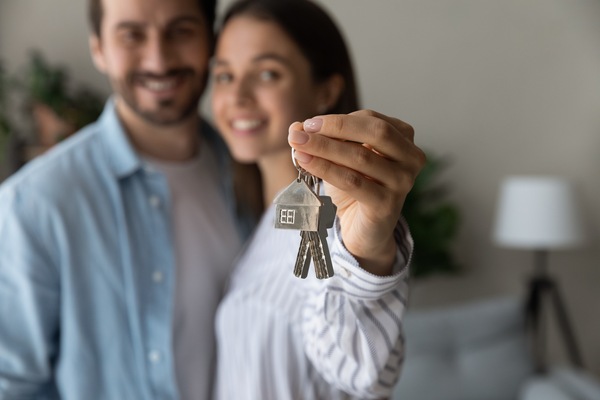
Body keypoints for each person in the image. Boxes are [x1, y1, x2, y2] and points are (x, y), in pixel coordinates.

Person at [0, 0, 421, 398]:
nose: (159, 59)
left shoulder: (306, 206)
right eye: (131, 34)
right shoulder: (33, 204)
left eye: (268, 73)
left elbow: (358, 363)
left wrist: (366, 254)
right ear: (99, 47)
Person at [210, 0, 425, 399]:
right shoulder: (261, 218)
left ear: (326, 90)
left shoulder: (330, 217)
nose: (237, 95)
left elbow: (363, 372)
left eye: (267, 73)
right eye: (224, 75)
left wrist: (365, 253)